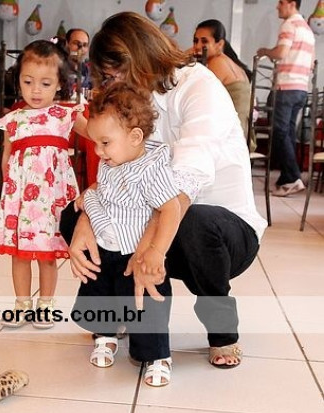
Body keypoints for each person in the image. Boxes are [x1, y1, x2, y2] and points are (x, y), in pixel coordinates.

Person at [63, 11, 267, 369]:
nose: (112, 85)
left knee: (194, 222)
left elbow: (184, 187)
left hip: (221, 233)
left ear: (138, 57)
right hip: (161, 219)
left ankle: (222, 332)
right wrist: (86, 221)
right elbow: (118, 174)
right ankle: (118, 313)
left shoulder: (199, 87)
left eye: (115, 74)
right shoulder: (135, 104)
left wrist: (150, 248)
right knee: (74, 215)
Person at [69, 82, 181, 386]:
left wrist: (156, 251)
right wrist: (90, 195)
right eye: (95, 142)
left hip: (136, 253)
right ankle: (105, 334)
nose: (98, 151)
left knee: (145, 303)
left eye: (105, 142)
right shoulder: (112, 160)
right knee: (101, 291)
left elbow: (171, 209)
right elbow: (107, 190)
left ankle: (158, 355)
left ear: (135, 137)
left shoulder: (151, 169)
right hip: (107, 246)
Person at [0, 40, 89, 329]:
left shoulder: (65, 115)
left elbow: (98, 133)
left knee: (47, 255)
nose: (36, 90)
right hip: (21, 199)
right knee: (19, 255)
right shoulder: (13, 119)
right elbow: (7, 157)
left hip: (50, 199)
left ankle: (46, 304)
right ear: (18, 81)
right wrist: (8, 194)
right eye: (28, 82)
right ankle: (22, 303)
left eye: (45, 83)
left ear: (59, 84)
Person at [257, 0, 315, 197]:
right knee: (288, 132)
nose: (277, 6)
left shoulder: (289, 25)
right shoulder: (307, 29)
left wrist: (265, 52)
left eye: (281, 2)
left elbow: (281, 53)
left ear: (291, 3)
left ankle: (293, 177)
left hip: (287, 86)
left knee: (280, 132)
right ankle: (285, 179)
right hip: (301, 88)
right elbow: (311, 64)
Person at [191, 19, 255, 149]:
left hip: (231, 138)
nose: (197, 46)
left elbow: (200, 97)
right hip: (242, 134)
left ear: (219, 44)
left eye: (204, 41)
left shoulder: (217, 62)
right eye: (195, 41)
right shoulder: (230, 62)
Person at [64, 28, 92, 100]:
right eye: (76, 43)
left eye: (85, 45)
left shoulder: (89, 72)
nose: (81, 48)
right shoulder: (57, 68)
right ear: (67, 44)